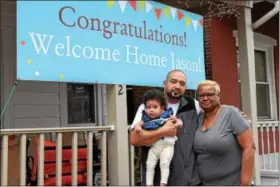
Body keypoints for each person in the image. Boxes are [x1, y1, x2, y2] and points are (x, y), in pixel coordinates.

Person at [130, 69, 202, 186]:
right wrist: (163, 131)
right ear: (165, 83)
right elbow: (134, 139)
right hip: (157, 180)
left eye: (182, 84)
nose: (177, 86)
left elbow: (215, 112)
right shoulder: (149, 107)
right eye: (173, 82)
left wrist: (237, 114)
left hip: (187, 179)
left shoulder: (193, 105)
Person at [193, 80, 255, 186]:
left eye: (210, 94)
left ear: (218, 95)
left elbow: (249, 147)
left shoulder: (231, 114)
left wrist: (245, 183)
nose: (205, 98)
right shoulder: (198, 119)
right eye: (201, 95)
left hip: (232, 182)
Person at [134, 89, 183, 186]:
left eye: (155, 107)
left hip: (167, 146)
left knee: (164, 163)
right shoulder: (146, 118)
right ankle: (149, 184)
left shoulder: (167, 116)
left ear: (162, 108)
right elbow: (138, 124)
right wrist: (138, 127)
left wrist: (177, 124)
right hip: (154, 146)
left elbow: (179, 122)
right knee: (149, 164)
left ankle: (163, 183)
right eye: (148, 107)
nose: (151, 110)